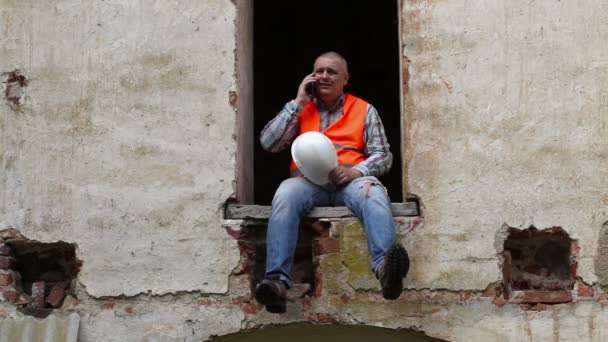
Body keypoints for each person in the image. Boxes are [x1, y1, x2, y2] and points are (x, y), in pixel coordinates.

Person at [256, 51, 409, 313]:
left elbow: (383, 155)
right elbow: (268, 143)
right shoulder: (301, 109)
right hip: (307, 183)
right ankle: (277, 282)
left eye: (332, 71)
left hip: (350, 181)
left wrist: (356, 172)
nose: (324, 76)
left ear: (345, 79)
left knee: (373, 193)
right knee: (285, 194)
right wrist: (297, 102)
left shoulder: (364, 109)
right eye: (319, 71)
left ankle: (386, 270)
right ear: (311, 76)